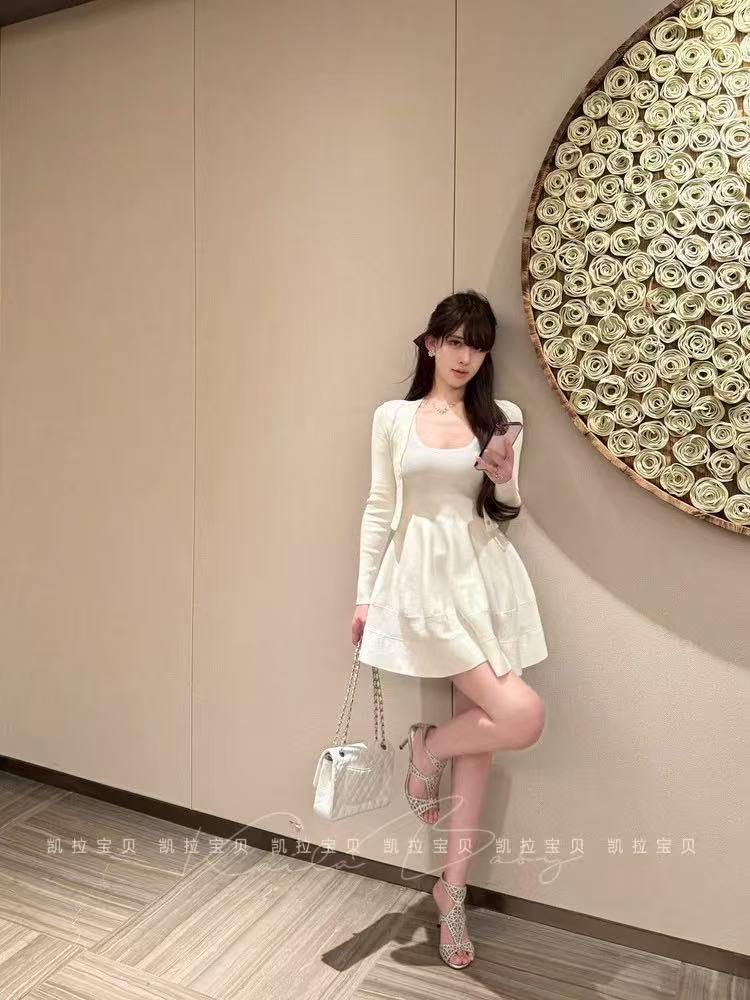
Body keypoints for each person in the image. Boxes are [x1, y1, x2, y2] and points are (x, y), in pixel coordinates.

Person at [350, 289, 548, 969]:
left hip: (483, 577)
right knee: (520, 714)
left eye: (478, 346)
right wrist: (364, 597)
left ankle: (451, 894)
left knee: (486, 741)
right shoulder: (394, 417)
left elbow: (506, 506)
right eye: (455, 341)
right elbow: (380, 505)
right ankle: (428, 751)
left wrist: (505, 478)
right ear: (431, 343)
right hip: (421, 581)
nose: (466, 357)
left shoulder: (503, 417)